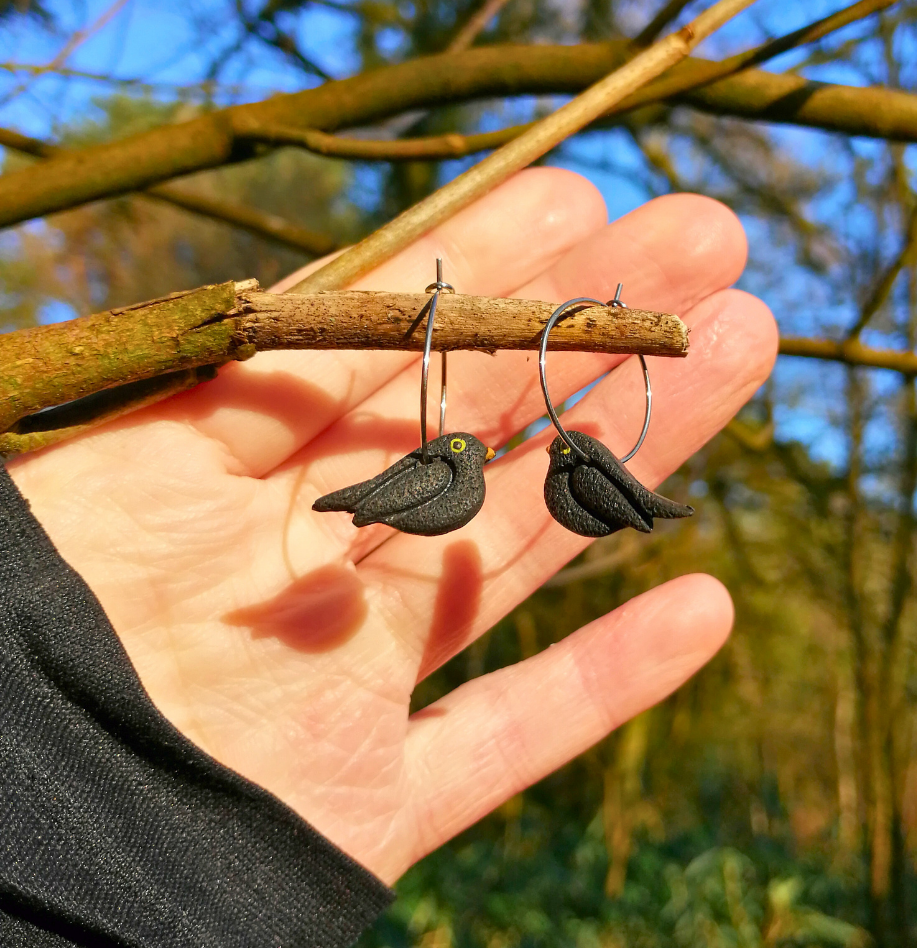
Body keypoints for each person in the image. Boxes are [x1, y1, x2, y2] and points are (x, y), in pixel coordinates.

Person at [1, 169, 776, 946]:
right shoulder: (447, 476)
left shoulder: (507, 474)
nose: (477, 453)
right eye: (468, 449)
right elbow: (400, 491)